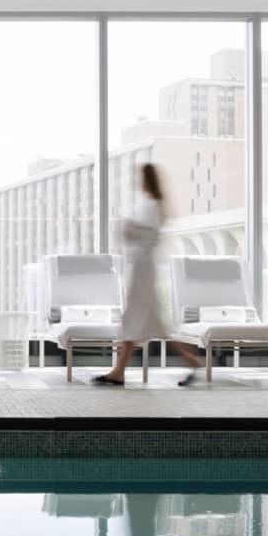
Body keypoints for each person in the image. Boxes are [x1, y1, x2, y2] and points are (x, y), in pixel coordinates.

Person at [94, 162, 203, 386]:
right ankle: (190, 360)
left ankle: (119, 372)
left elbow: (148, 236)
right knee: (151, 323)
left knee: (133, 319)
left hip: (143, 269)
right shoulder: (153, 205)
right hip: (142, 267)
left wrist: (129, 228)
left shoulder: (152, 206)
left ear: (146, 180)